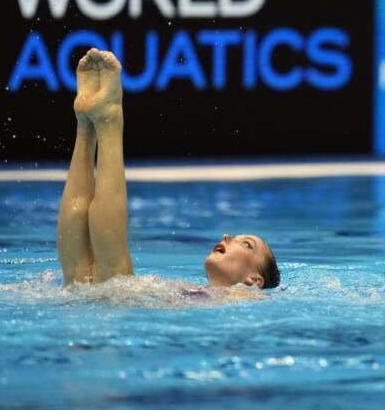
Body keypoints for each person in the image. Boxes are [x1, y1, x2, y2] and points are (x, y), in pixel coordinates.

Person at [56, 48, 280, 291]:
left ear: (254, 281)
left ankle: (94, 124)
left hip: (115, 311)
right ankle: (92, 123)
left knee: (80, 280)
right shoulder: (199, 295)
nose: (227, 236)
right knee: (97, 282)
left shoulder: (244, 302)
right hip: (115, 312)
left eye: (246, 244)